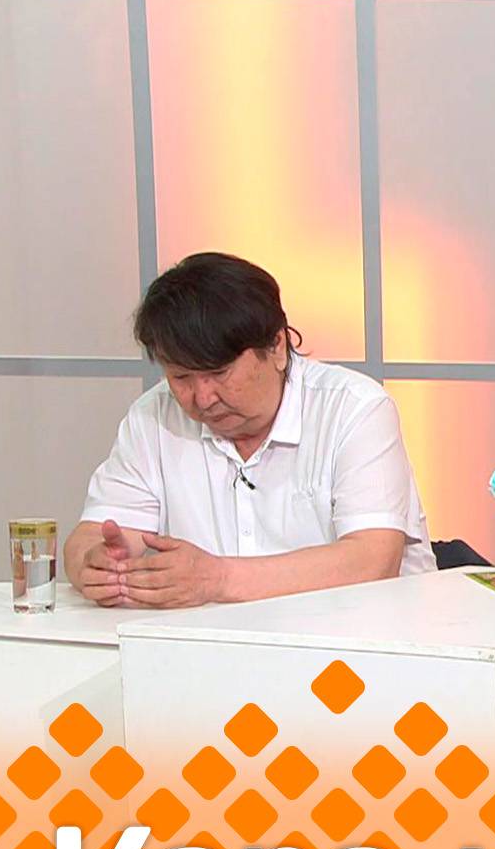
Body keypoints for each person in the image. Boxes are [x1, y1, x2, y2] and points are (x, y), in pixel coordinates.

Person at [65, 252, 435, 608]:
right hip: (210, 644)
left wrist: (216, 579)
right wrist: (96, 565)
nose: (203, 398)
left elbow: (372, 561)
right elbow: (93, 534)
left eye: (219, 372)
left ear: (277, 346)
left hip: (361, 641)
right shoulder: (153, 417)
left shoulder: (355, 409)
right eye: (181, 377)